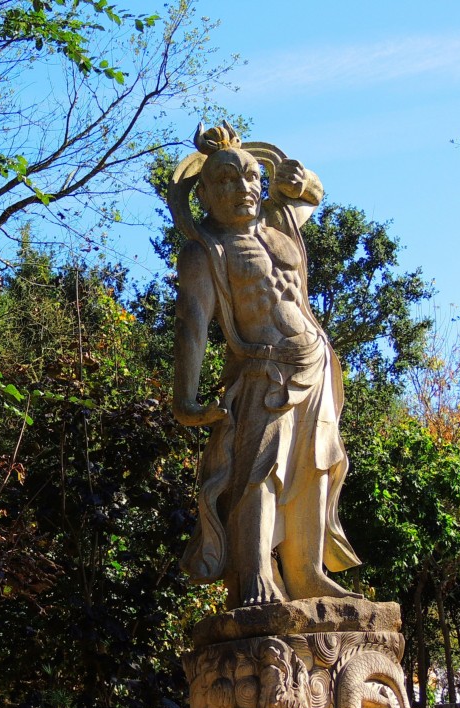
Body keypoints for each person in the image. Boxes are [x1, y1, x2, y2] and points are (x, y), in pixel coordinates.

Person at [169, 122, 361, 608]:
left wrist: (302, 180)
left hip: (315, 365)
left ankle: (306, 572)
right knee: (260, 472)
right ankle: (253, 576)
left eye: (251, 177)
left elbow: (314, 194)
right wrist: (186, 400)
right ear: (205, 193)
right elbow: (192, 325)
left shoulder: (280, 227)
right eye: (227, 181)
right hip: (262, 370)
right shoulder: (206, 252)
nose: (243, 188)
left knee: (316, 466)